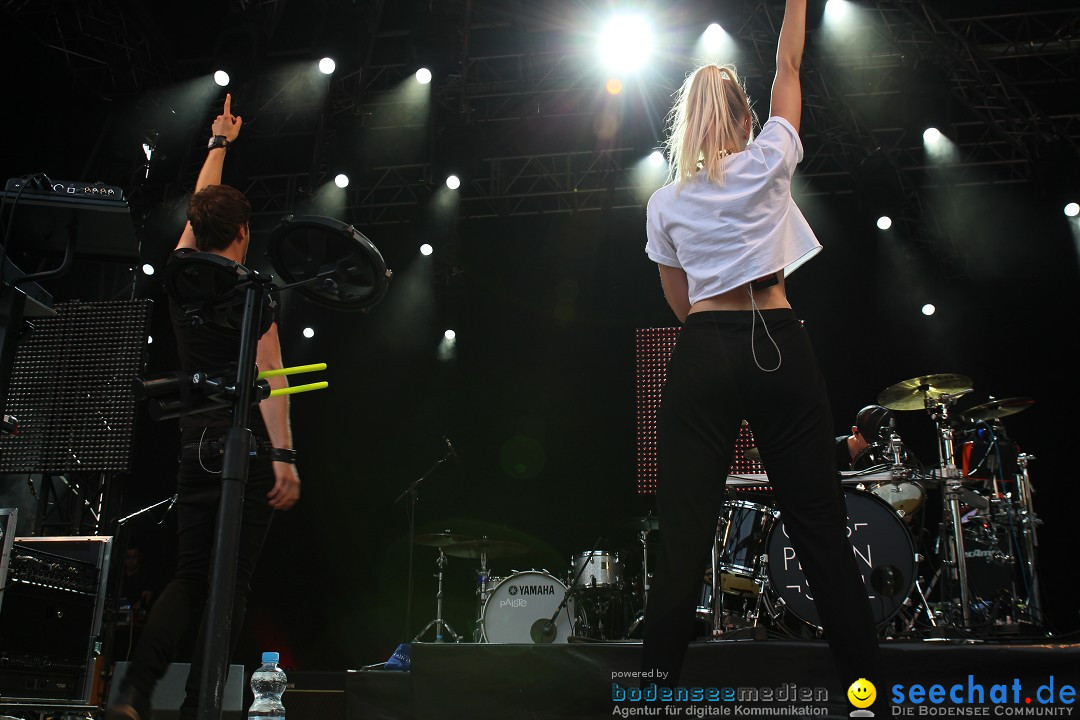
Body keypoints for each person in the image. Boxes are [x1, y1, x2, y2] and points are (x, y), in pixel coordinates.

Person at [640, 0, 883, 709]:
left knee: (682, 549)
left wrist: (717, 339)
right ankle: (869, 702)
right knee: (822, 538)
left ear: (687, 125)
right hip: (777, 338)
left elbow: (679, 302)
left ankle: (647, 705)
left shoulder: (664, 201)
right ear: (745, 119)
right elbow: (788, 65)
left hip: (703, 350)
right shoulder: (771, 157)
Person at [108, 94, 300, 720]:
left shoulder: (180, 272)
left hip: (196, 441)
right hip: (241, 445)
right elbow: (271, 374)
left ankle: (135, 693)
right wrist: (284, 457)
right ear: (245, 233)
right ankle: (201, 705)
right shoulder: (254, 293)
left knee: (191, 576)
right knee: (232, 583)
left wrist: (219, 144)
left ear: (200, 230)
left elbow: (199, 212)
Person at [835, 404, 894, 470]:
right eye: (871, 442)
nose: (877, 447)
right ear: (856, 432)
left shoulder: (885, 454)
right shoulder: (830, 451)